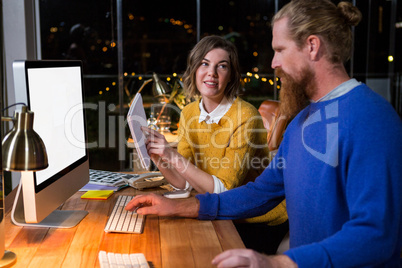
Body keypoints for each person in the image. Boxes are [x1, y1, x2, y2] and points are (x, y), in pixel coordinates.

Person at [128, 1, 402, 266]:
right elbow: (260, 194)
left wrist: (279, 263)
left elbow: (377, 235)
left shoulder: (372, 119)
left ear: (312, 46)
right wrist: (177, 208)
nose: (273, 63)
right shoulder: (299, 123)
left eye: (280, 50)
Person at [142, 35, 288, 253]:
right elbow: (184, 183)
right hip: (219, 213)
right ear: (194, 70)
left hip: (257, 220)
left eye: (222, 66)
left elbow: (223, 191)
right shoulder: (190, 112)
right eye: (204, 64)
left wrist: (171, 155)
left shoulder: (245, 116)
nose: (212, 73)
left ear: (231, 76)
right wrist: (160, 158)